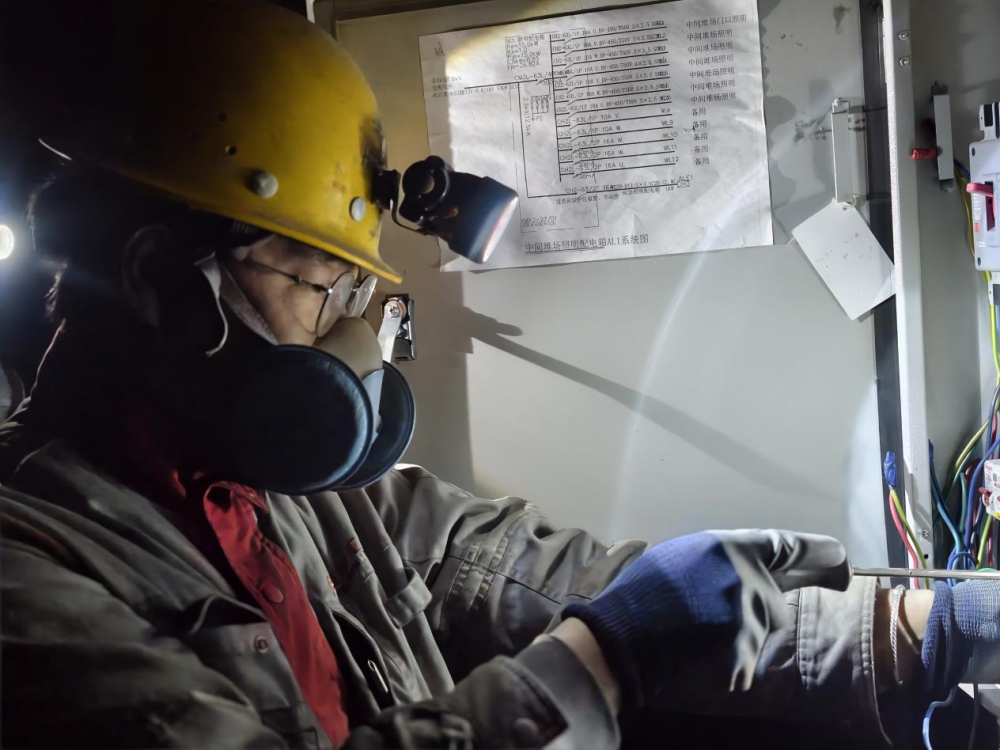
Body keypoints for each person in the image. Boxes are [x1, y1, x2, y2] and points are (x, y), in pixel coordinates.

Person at [0, 4, 996, 749]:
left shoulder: (313, 497)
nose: (345, 334)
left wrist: (934, 628)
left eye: (352, 291)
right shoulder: (31, 573)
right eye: (316, 286)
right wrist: (602, 660)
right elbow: (617, 630)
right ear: (158, 280)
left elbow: (551, 577)